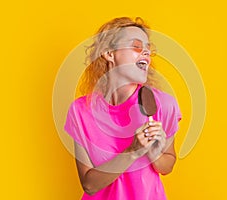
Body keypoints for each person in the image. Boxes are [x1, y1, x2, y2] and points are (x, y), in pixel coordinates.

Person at [64, 17, 182, 200]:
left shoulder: (163, 104)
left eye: (148, 50)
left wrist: (154, 153)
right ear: (109, 53)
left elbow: (167, 166)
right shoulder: (81, 111)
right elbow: (89, 185)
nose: (146, 53)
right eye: (136, 46)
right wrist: (133, 151)